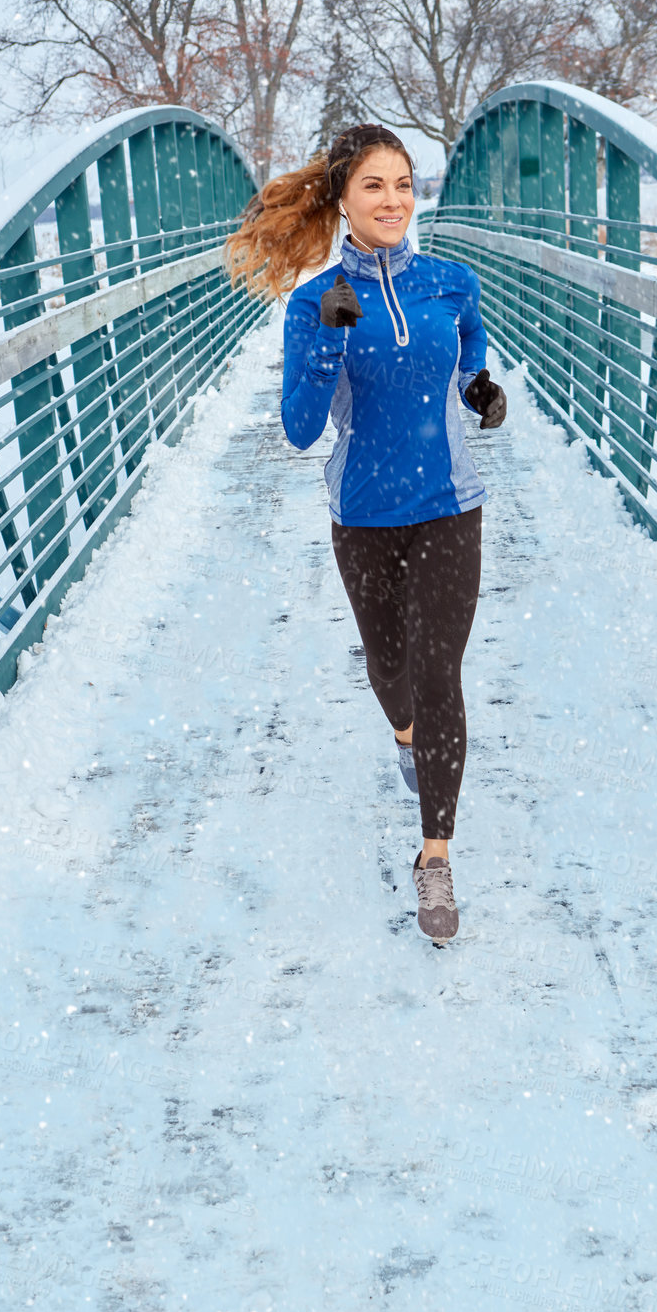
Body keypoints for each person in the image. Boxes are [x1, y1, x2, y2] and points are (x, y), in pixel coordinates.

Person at [225, 124, 505, 944]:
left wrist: (481, 389)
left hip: (452, 503)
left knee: (437, 669)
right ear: (343, 199)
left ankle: (435, 855)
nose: (394, 201)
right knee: (392, 677)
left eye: (406, 185)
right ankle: (407, 739)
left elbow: (468, 357)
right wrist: (330, 342)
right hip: (365, 516)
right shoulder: (313, 304)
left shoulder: (452, 282)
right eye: (375, 186)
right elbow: (301, 430)